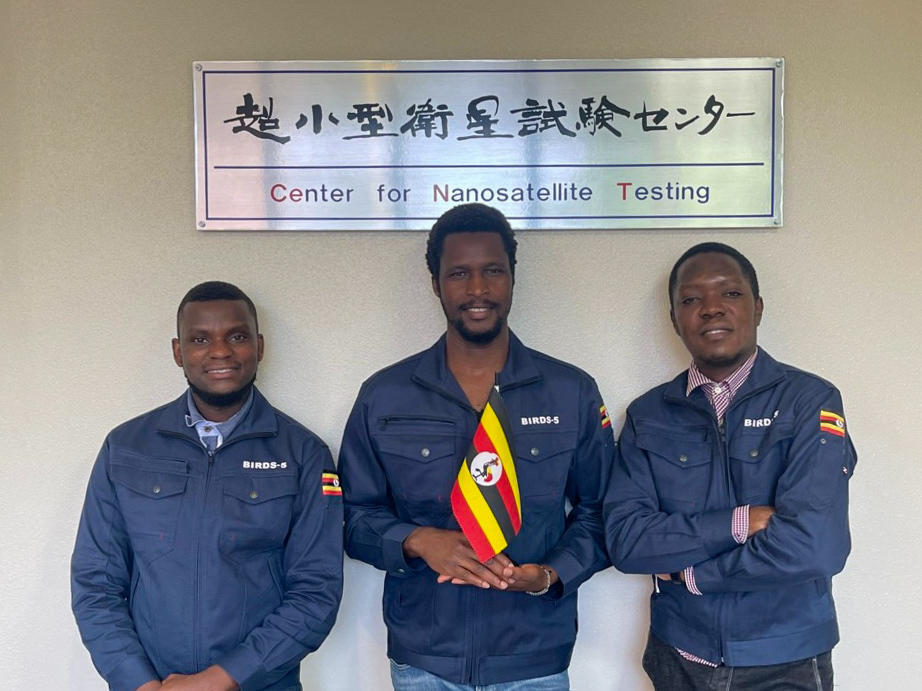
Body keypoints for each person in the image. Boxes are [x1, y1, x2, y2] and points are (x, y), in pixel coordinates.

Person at [338, 203, 614, 690]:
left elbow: (603, 511)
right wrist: (419, 540)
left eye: (493, 271)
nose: (478, 289)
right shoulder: (385, 395)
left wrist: (550, 574)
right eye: (459, 274)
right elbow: (353, 515)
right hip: (425, 662)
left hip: (535, 659)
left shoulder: (571, 391)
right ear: (435, 283)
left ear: (512, 276)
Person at [604, 243, 856, 690]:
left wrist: (695, 575)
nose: (711, 309)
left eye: (731, 294)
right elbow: (627, 542)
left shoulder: (809, 401)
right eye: (691, 299)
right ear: (675, 319)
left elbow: (816, 545)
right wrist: (740, 523)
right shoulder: (649, 415)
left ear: (757, 308)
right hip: (679, 651)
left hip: (787, 659)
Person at [71, 281, 343, 691]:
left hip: (261, 683)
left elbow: (316, 592)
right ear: (179, 352)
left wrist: (220, 680)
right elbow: (96, 582)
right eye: (200, 339)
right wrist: (138, 682)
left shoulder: (304, 453)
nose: (220, 351)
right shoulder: (125, 448)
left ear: (260, 346)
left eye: (236, 336)